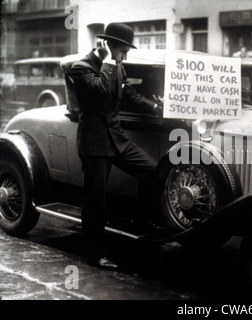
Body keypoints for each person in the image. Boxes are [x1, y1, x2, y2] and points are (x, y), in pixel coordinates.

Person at [70, 23, 162, 269]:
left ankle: (141, 224)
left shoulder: (118, 67)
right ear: (109, 46)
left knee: (151, 170)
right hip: (94, 143)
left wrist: (152, 105)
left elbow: (127, 92)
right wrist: (109, 62)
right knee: (94, 202)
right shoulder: (81, 68)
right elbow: (100, 92)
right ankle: (95, 254)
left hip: (116, 139)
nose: (126, 55)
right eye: (123, 49)